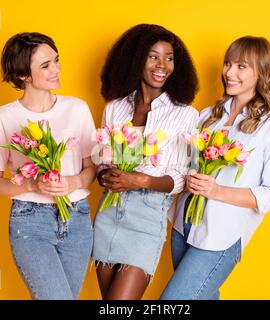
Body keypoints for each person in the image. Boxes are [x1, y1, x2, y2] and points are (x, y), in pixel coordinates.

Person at [161, 36, 270, 300]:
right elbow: (185, 164)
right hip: (182, 225)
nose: (229, 72)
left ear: (261, 72)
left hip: (220, 236)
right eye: (227, 64)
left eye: (241, 66)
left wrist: (216, 191)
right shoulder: (208, 115)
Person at [0, 32, 97, 300]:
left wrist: (72, 183)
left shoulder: (77, 109)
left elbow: (91, 169)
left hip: (77, 218)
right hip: (30, 221)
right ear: (24, 75)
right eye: (45, 66)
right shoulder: (3, 118)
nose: (56, 69)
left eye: (56, 61)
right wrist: (33, 184)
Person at [92, 24, 199, 300]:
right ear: (135, 59)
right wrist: (107, 175)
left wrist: (139, 180)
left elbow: (183, 176)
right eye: (153, 56)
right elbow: (100, 159)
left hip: (147, 217)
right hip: (108, 213)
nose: (162, 65)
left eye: (169, 58)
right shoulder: (114, 107)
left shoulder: (185, 115)